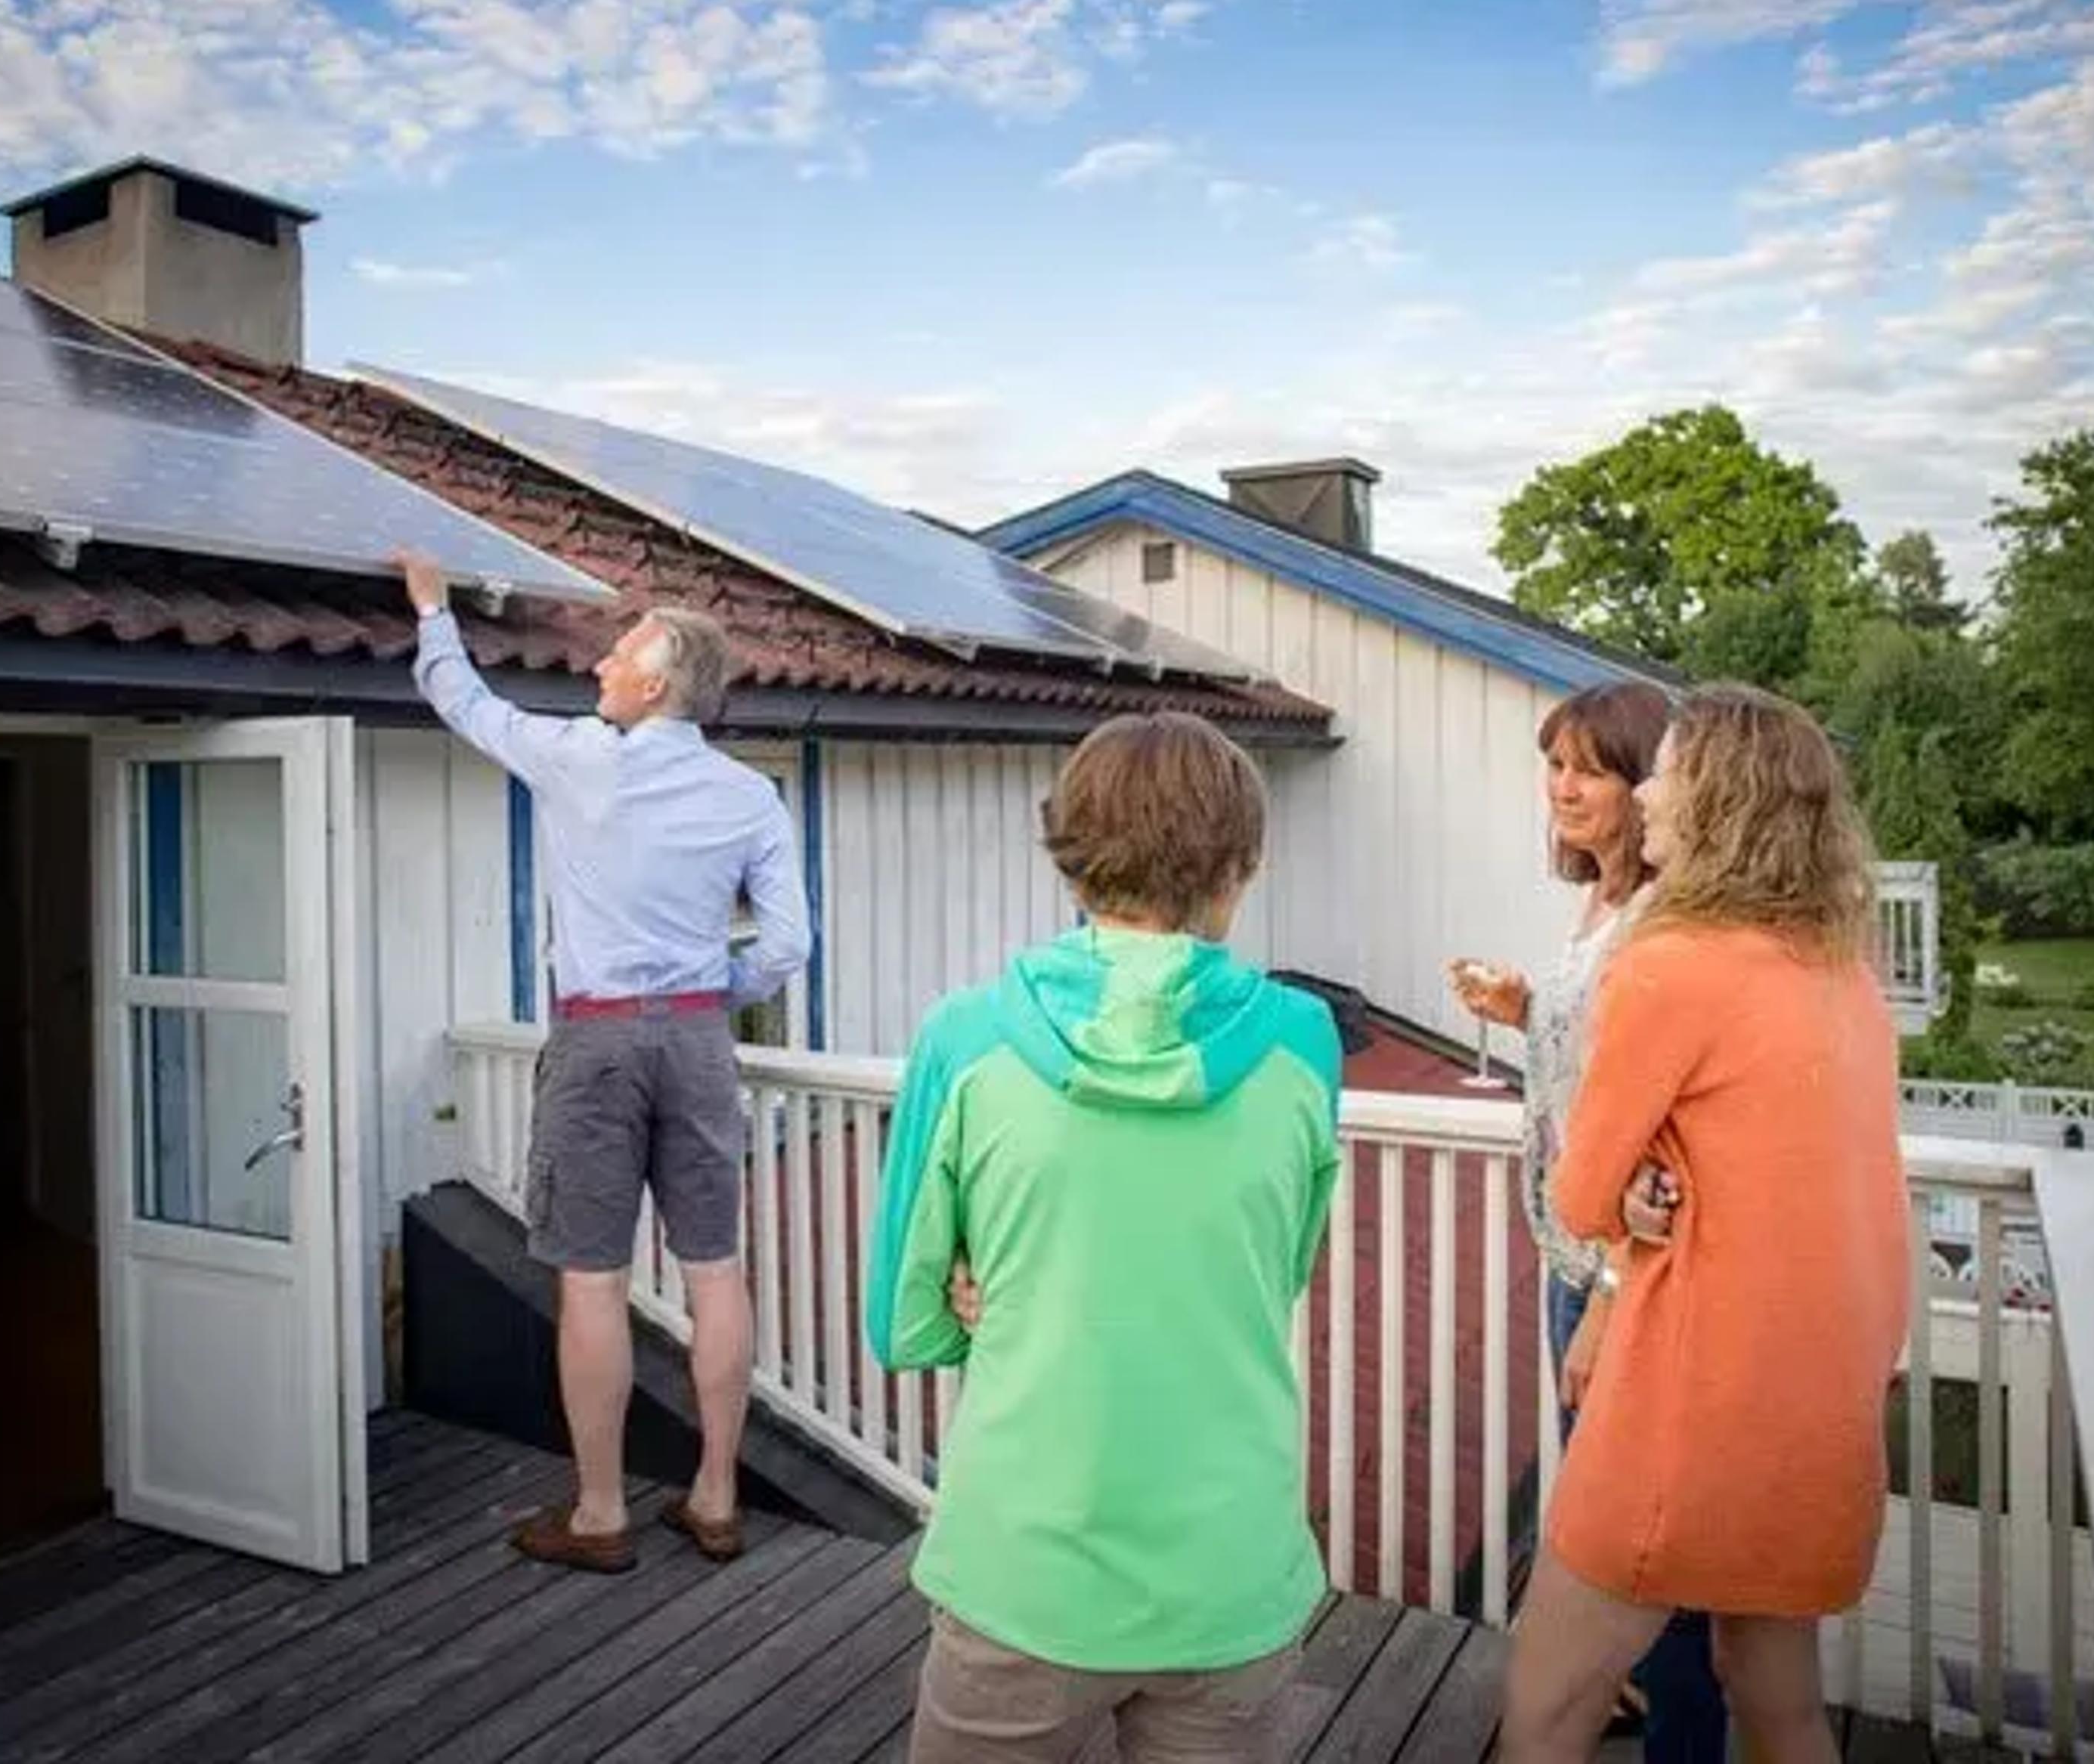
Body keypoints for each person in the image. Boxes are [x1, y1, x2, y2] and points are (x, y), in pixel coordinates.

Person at [866, 711, 1340, 1762]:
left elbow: (901, 1321)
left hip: (1024, 1567)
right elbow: (1281, 1264)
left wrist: (989, 1296)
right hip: (1230, 1568)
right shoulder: (1305, 1044)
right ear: (1243, 864)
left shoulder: (968, 1037)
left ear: (1070, 857)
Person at [1501, 685, 1910, 1764]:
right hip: (1820, 1399)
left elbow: (1579, 1198)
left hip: (1694, 1399)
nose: (1651, 792)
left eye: (1668, 771)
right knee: (1776, 1701)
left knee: (1547, 1702)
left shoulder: (1669, 965)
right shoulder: (1842, 973)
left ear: (1717, 802)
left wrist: (1627, 1197)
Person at [394, 549, 809, 1573]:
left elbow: (465, 702)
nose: (600, 671)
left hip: (599, 1044)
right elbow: (790, 949)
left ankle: (598, 1513)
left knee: (592, 1280)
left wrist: (434, 610)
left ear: (658, 682)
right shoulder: (753, 796)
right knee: (716, 1271)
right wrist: (712, 995)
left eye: (619, 656)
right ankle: (714, 1499)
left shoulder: (583, 756)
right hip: (700, 1042)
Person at [1447, 679, 1729, 1762]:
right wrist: (1526, 1009)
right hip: (1576, 1258)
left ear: (1648, 786)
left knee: (1647, 1548)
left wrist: (1613, 1291)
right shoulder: (1606, 901)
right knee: (1611, 1529)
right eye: (1554, 763)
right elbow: (1598, 1071)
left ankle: (1681, 1738)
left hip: (1628, 1277)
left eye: (1592, 769)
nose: (1563, 787)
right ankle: (1628, 1695)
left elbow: (1666, 1127)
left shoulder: (1665, 918)